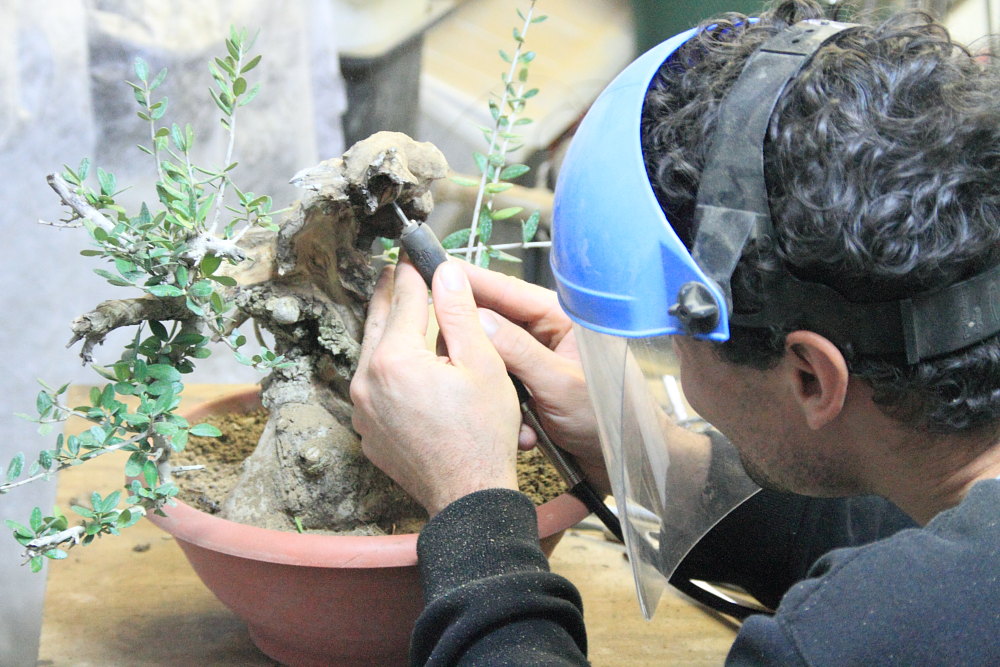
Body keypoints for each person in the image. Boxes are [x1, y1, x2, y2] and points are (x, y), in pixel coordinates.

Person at [349, 1, 1000, 664]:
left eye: (677, 339)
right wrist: (650, 455)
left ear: (811, 376)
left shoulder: (855, 641)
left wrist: (473, 505)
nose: (674, 362)